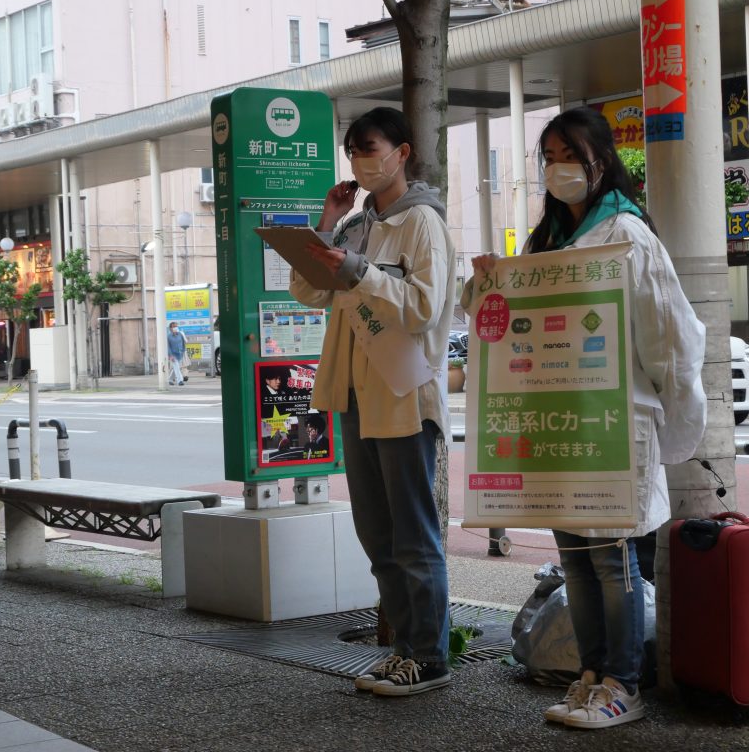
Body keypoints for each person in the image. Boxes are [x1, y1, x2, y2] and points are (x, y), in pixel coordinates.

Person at [462, 106, 706, 729]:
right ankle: (591, 675)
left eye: (567, 155)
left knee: (612, 556)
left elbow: (670, 337)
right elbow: (496, 323)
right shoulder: (546, 241)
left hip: (611, 425)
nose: (556, 168)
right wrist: (486, 281)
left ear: (600, 158)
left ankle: (623, 683)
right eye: (547, 157)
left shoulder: (628, 235)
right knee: (575, 554)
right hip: (557, 423)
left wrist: (677, 419)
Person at [290, 106, 456, 696]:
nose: (362, 158)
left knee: (412, 533)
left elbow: (425, 308)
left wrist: (360, 271)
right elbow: (308, 288)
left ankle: (429, 657)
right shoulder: (357, 222)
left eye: (372, 146)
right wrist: (330, 221)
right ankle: (404, 650)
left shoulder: (423, 223)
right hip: (358, 394)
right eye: (354, 149)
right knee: (376, 533)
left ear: (402, 152)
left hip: (404, 393)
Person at [167, 322, 187, 386]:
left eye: (176, 326)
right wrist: (170, 355)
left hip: (180, 354)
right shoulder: (168, 337)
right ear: (170, 328)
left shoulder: (180, 334)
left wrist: (183, 351)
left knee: (175, 367)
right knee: (177, 367)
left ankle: (170, 379)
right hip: (173, 355)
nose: (175, 327)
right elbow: (168, 347)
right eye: (174, 326)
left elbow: (183, 343)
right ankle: (180, 380)